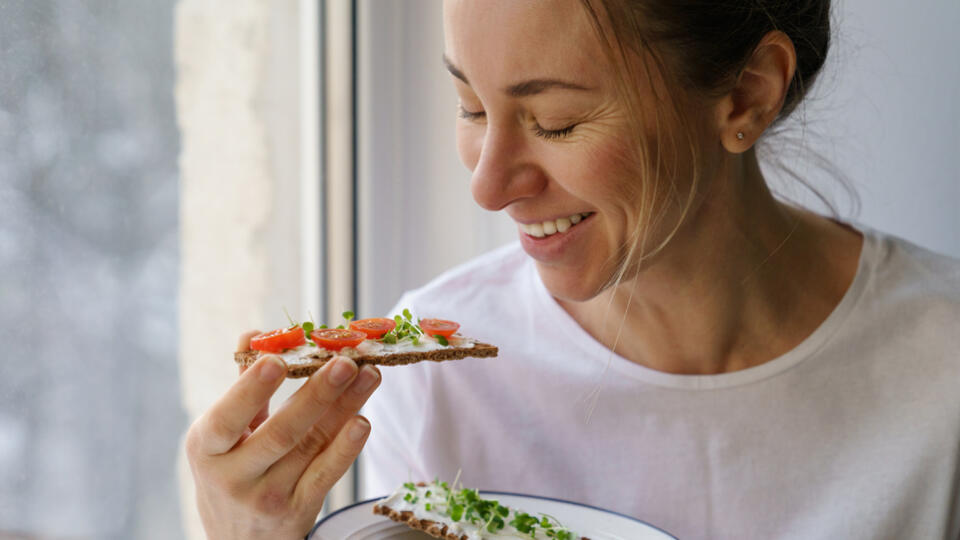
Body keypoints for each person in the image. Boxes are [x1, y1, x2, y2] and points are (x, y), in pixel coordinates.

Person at [185, 1, 960, 538]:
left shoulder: (942, 367)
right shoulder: (439, 389)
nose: (487, 186)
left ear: (745, 96)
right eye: (471, 108)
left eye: (555, 121)